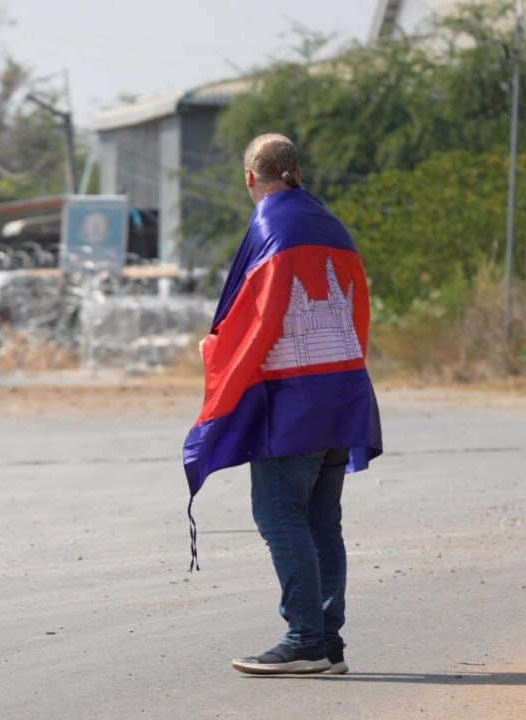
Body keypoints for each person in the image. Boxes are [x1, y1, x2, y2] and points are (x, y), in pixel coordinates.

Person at [181, 133, 382, 675]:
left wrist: (215, 354)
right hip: (344, 393)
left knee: (278, 513)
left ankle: (305, 640)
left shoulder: (271, 227)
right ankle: (327, 642)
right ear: (297, 172)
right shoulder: (332, 226)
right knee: (322, 521)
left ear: (251, 177)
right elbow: (356, 311)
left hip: (296, 403)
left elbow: (258, 319)